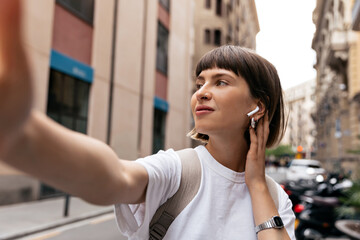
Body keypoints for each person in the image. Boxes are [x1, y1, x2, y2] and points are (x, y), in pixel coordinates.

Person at [0, 1, 295, 239]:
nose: (201, 93)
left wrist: (255, 183)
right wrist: (25, 136)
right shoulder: (178, 171)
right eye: (199, 83)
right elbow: (114, 177)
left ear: (258, 105)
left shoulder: (275, 199)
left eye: (220, 82)